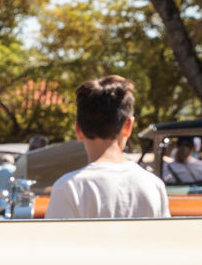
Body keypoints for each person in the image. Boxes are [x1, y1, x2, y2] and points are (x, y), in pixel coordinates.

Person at [45, 75, 169, 220]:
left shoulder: (68, 188)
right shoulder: (153, 185)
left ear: (78, 130)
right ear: (128, 126)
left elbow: (56, 242)